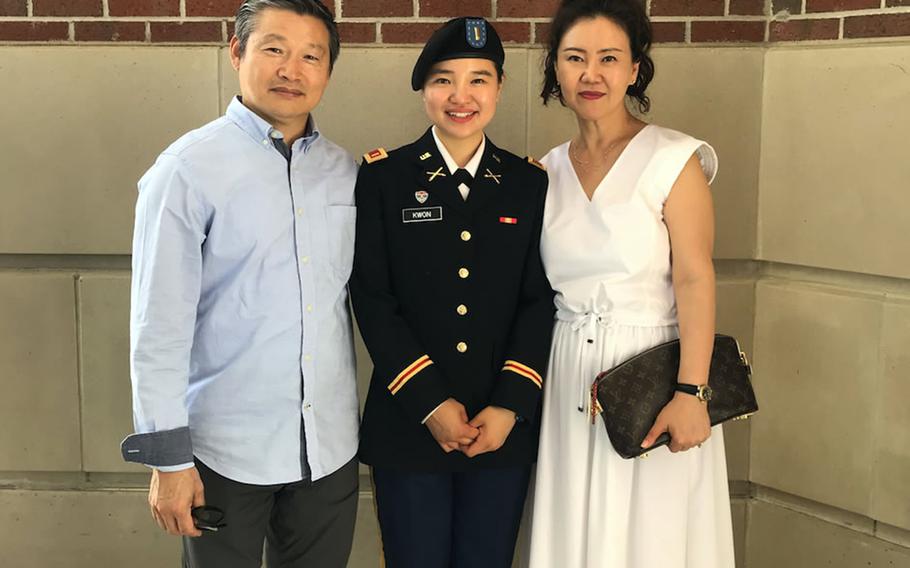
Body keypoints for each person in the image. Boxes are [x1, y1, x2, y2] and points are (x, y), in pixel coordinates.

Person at [119, 1, 360, 566]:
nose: (291, 70)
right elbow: (159, 326)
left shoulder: (344, 171)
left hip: (327, 449)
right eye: (273, 49)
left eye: (311, 56)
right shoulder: (187, 170)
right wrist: (168, 460)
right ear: (237, 52)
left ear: (327, 70)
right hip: (223, 455)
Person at [523, 0, 736, 566]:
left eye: (609, 58)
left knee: (654, 537)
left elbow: (695, 277)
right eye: (575, 58)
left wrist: (693, 393)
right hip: (570, 373)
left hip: (654, 373)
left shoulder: (673, 159)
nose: (591, 74)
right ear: (556, 70)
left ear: (634, 69)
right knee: (578, 533)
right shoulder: (544, 171)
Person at [350, 17, 555, 568]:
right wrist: (431, 404)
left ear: (499, 88)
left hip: (499, 426)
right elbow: (372, 297)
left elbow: (540, 299)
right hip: (410, 423)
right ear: (423, 89)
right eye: (443, 80)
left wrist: (511, 405)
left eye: (478, 79)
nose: (460, 96)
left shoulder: (528, 182)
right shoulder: (382, 178)